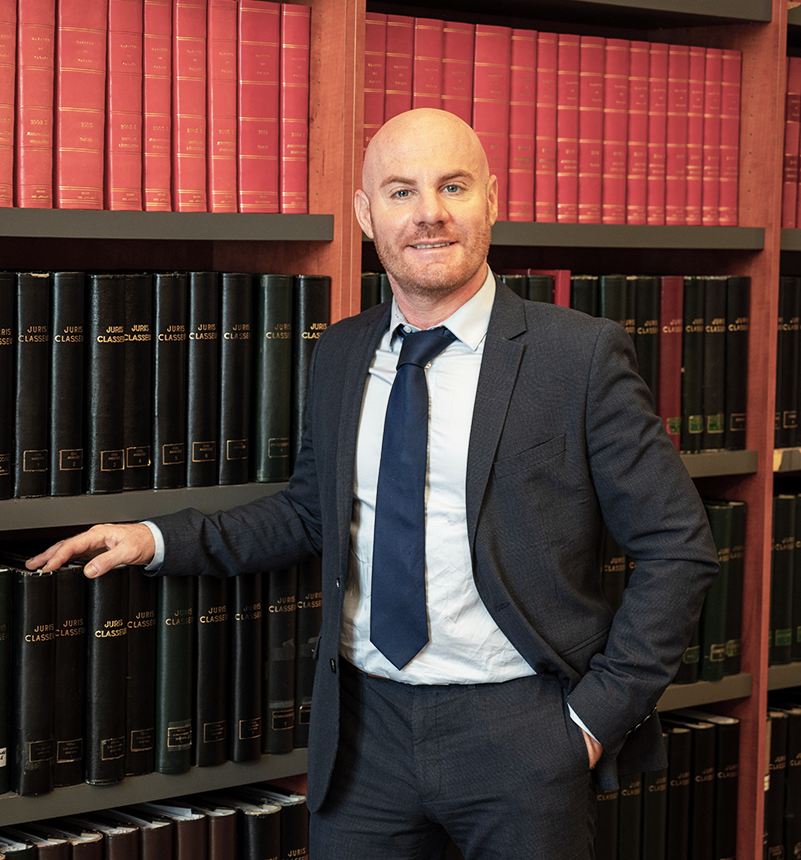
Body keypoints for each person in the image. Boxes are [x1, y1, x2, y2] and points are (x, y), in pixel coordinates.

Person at [29, 108, 719, 860]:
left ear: (490, 199)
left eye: (452, 186)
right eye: (399, 192)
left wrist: (588, 724)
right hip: (363, 734)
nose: (428, 213)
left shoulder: (576, 358)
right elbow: (310, 516)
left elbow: (677, 549)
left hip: (523, 730)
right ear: (364, 215)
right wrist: (155, 539)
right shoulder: (341, 352)